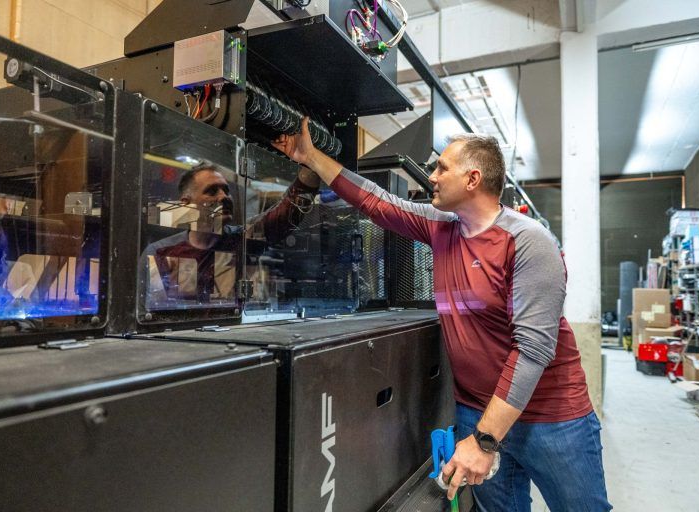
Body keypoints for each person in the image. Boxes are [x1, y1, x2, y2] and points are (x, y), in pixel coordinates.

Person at [272, 118, 611, 511]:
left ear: (473, 179)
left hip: (551, 419)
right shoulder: (442, 229)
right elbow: (375, 201)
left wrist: (485, 440)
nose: (432, 176)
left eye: (442, 168)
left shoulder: (527, 241)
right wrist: (311, 157)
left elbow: (533, 351)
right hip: (476, 411)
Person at [141, 160, 320, 308]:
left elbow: (287, 213)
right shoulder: (160, 253)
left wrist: (312, 159)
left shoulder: (241, 240)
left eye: (226, 190)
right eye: (212, 191)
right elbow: (152, 312)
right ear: (187, 204)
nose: (224, 197)